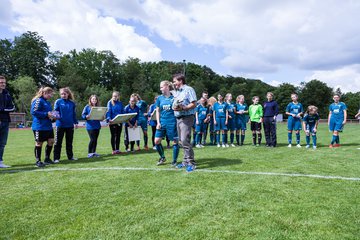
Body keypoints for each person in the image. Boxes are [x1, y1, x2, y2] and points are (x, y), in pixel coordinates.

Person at [172, 73, 197, 172]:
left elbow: (194, 103)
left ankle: (191, 163)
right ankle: (185, 161)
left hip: (186, 117)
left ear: (180, 81)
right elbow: (176, 104)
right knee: (181, 141)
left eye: (175, 81)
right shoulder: (178, 92)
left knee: (185, 140)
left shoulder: (188, 89)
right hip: (178, 118)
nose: (174, 83)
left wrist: (184, 108)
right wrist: (176, 107)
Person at [155, 81, 179, 166]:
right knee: (157, 141)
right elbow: (157, 111)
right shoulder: (159, 98)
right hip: (162, 122)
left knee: (175, 142)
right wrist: (158, 122)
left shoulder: (174, 97)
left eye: (161, 87)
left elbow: (178, 108)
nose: (160, 89)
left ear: (167, 87)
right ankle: (162, 157)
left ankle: (174, 161)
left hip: (172, 122)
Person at [30, 87, 56, 167]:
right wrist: (46, 114)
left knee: (51, 141)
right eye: (50, 94)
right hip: (39, 126)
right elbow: (33, 112)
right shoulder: (38, 100)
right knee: (39, 143)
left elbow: (49, 114)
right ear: (44, 93)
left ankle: (47, 159)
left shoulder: (47, 102)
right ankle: (38, 161)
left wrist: (53, 117)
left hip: (48, 126)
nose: (51, 96)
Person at [53, 87, 78, 163]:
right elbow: (55, 112)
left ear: (68, 94)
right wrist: (55, 118)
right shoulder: (58, 102)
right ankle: (56, 158)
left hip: (70, 125)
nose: (63, 95)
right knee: (58, 142)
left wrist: (75, 122)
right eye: (61, 94)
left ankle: (70, 157)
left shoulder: (72, 103)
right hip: (60, 125)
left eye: (64, 94)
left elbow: (74, 114)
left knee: (69, 142)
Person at [0, 76, 15, 168]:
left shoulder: (7, 94)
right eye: (1, 82)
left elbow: (12, 107)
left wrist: (2, 109)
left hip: (5, 121)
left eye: (4, 82)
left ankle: (0, 162)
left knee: (2, 143)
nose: (3, 84)